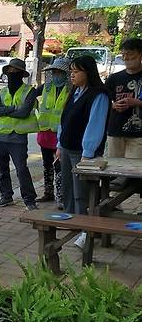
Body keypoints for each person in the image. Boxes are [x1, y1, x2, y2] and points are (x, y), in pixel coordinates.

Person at [56, 56, 109, 220]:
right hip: (66, 148)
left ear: (88, 73)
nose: (72, 75)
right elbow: (64, 120)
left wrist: (88, 152)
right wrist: (59, 144)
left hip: (82, 151)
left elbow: (95, 125)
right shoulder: (74, 92)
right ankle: (69, 218)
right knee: (67, 188)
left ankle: (82, 223)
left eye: (76, 71)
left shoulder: (98, 95)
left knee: (80, 191)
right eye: (71, 71)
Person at [0, 58, 38, 210]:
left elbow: (24, 113)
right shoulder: (1, 91)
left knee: (21, 169)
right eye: (9, 72)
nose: (12, 74)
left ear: (21, 74)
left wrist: (5, 110)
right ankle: (6, 196)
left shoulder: (29, 91)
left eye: (15, 72)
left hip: (18, 137)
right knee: (2, 170)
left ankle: (30, 200)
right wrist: (12, 109)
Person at [35, 58, 71, 208]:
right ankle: (48, 192)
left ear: (66, 74)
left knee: (59, 166)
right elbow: (31, 97)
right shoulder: (46, 87)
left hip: (61, 135)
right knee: (47, 164)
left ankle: (61, 197)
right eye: (54, 72)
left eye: (59, 72)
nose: (56, 75)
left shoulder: (71, 89)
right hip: (45, 133)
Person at [105, 38, 142, 158]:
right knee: (113, 170)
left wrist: (136, 102)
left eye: (130, 54)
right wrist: (114, 105)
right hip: (115, 131)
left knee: (133, 173)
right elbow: (102, 101)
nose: (126, 58)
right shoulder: (114, 78)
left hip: (138, 134)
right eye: (123, 55)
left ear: (140, 54)